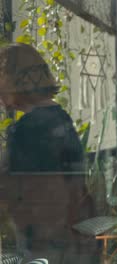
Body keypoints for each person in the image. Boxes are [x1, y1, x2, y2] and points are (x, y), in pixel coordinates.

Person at [0, 43, 97, 263]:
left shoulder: (29, 130)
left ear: (12, 81)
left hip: (46, 245)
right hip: (69, 243)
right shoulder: (61, 119)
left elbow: (13, 189)